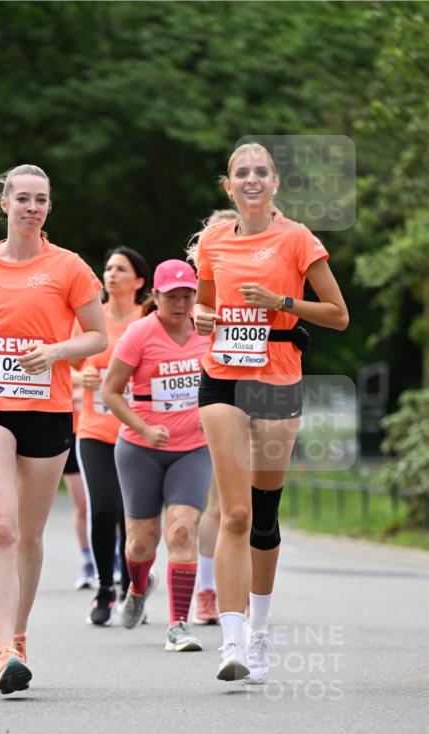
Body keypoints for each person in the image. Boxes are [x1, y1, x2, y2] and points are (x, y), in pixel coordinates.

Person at [0, 163, 107, 695]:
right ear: (4, 202)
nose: (32, 208)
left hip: (47, 407)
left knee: (31, 534)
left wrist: (55, 351)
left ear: (49, 208)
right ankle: (2, 650)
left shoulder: (70, 267)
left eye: (41, 200)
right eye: (24, 199)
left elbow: (98, 336)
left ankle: (19, 633)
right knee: (4, 528)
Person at [193, 142, 348, 683]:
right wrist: (202, 319)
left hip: (278, 379)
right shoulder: (212, 242)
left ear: (275, 184)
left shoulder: (298, 238)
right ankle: (230, 642)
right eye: (242, 173)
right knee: (232, 513)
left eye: (262, 172)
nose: (252, 179)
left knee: (262, 516)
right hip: (222, 378)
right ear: (228, 186)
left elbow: (338, 315)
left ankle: (260, 633)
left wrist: (281, 303)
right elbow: (205, 305)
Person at [102, 260, 211, 652]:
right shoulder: (139, 334)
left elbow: (230, 377)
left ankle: (178, 625)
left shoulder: (207, 330)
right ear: (156, 296)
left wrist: (214, 416)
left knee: (182, 530)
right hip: (140, 450)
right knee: (140, 545)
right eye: (172, 296)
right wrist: (146, 428)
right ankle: (136, 586)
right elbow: (110, 392)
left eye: (187, 295)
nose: (181, 303)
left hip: (193, 450)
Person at [73, 245, 149, 625]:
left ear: (138, 281)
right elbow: (58, 363)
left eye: (121, 268)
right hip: (94, 430)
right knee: (103, 508)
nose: (111, 274)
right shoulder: (92, 318)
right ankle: (104, 587)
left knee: (131, 516)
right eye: (108, 268)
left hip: (136, 431)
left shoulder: (147, 319)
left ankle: (130, 588)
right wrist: (78, 376)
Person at [186, 209, 239, 626]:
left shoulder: (268, 266)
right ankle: (206, 590)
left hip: (265, 389)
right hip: (216, 388)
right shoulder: (204, 282)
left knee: (252, 503)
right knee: (219, 503)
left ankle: (244, 592)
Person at [63, 398, 96, 591]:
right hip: (71, 430)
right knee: (82, 506)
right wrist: (80, 379)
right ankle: (88, 562)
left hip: (103, 431)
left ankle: (115, 558)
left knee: (109, 504)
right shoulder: (68, 366)